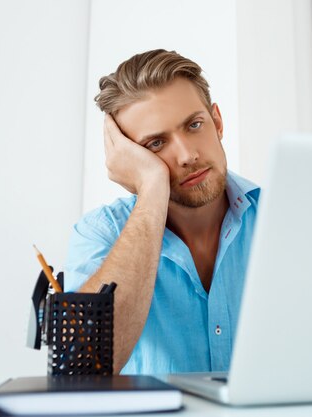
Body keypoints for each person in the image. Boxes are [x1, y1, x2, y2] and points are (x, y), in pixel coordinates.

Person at [65, 49, 260, 374]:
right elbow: (85, 365)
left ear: (217, 121)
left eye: (194, 125)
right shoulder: (99, 234)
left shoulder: (284, 219)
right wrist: (152, 186)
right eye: (156, 144)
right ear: (129, 157)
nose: (187, 155)